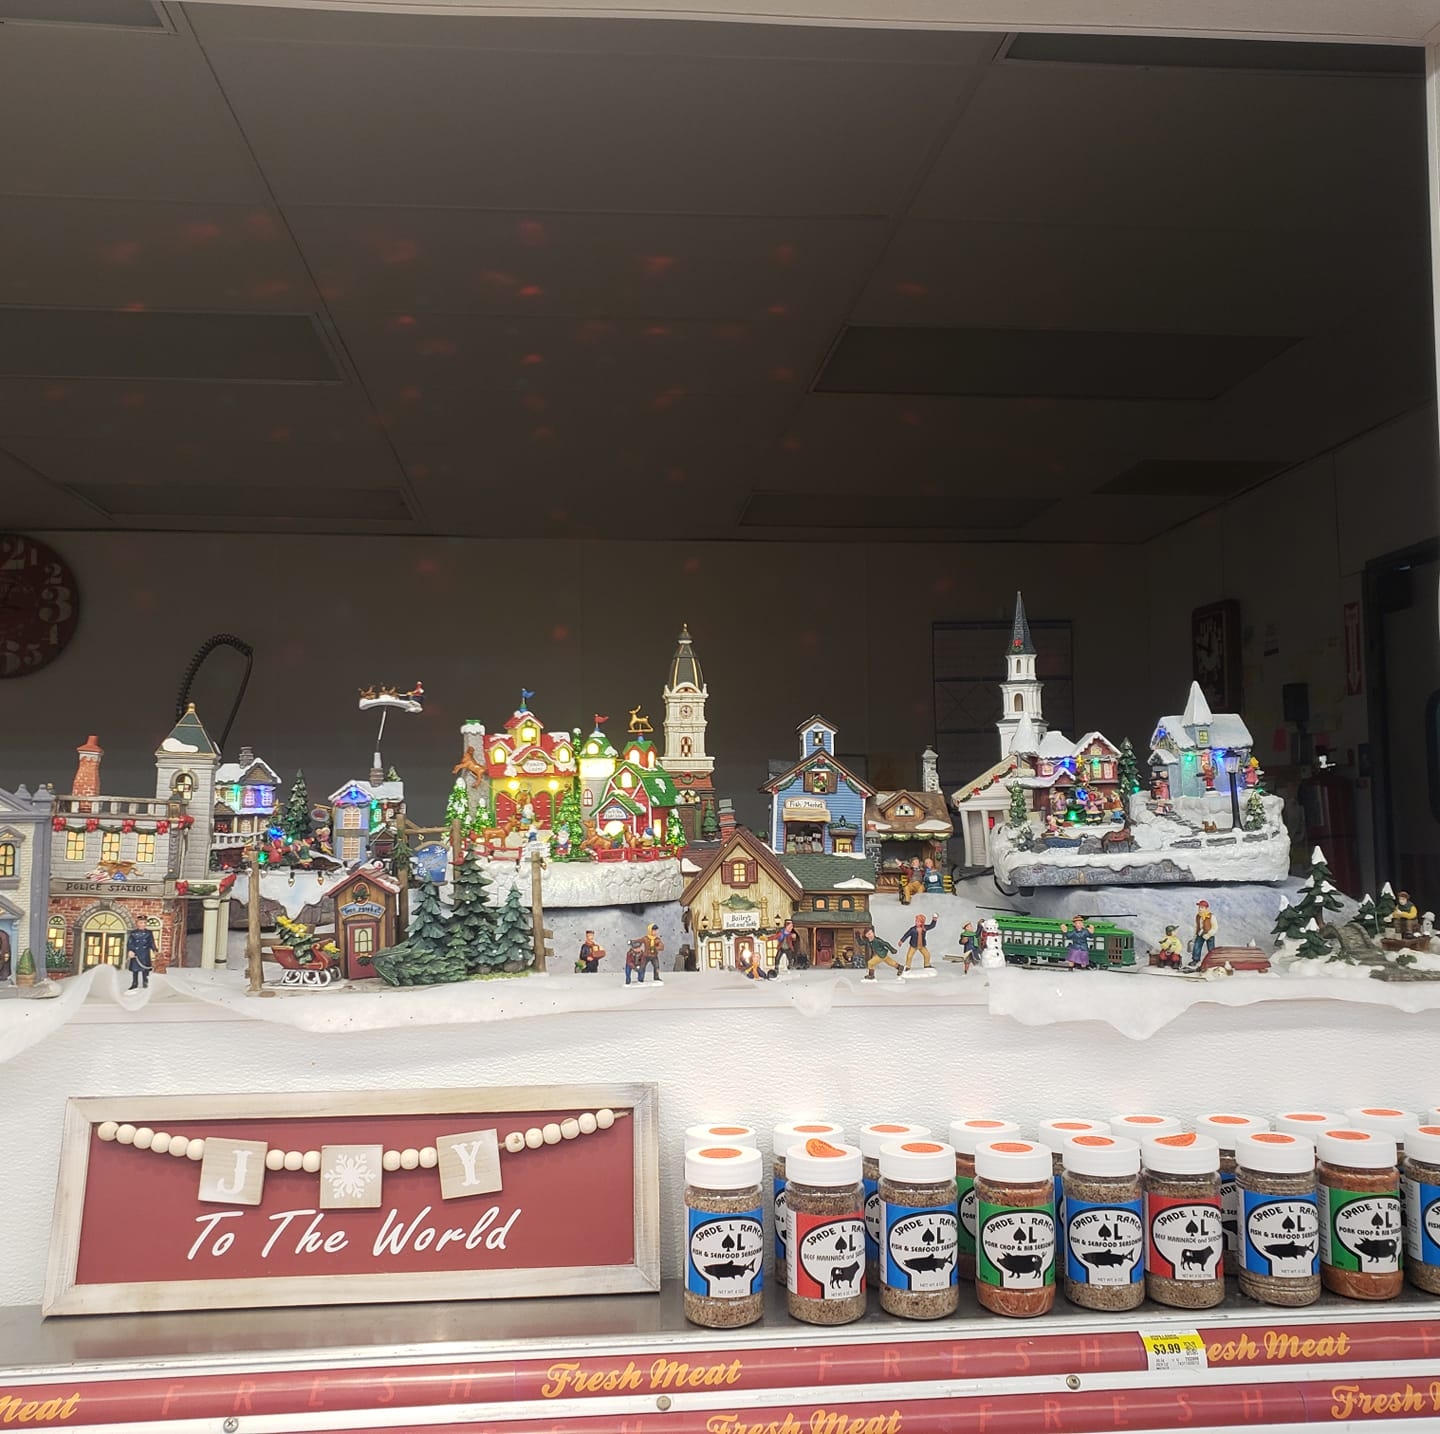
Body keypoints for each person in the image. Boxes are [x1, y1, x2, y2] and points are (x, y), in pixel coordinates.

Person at [125, 926, 156, 990]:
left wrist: (155, 950)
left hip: (145, 953)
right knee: (135, 969)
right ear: (137, 924)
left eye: (144, 923)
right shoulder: (133, 933)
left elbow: (152, 943)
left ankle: (145, 982)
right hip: (136, 953)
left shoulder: (148, 933)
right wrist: (130, 950)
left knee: (145, 969)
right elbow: (130, 943)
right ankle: (134, 983)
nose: (142, 925)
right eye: (141, 923)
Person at [1192, 900, 1218, 966]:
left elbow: (1215, 927)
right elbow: (1196, 926)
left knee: (1211, 948)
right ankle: (1195, 959)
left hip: (1209, 934)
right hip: (1200, 934)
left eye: (1202, 907)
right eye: (1199, 907)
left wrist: (1209, 934)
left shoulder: (1211, 917)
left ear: (1206, 908)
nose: (1200, 909)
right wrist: (1195, 935)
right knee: (1197, 946)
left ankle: (1212, 960)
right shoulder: (1198, 916)